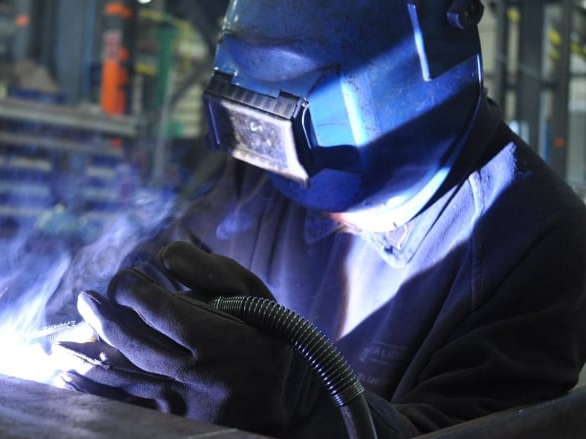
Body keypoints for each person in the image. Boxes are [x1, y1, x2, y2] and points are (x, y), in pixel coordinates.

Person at [58, 1, 586, 438]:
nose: (274, 156)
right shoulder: (263, 171)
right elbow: (165, 275)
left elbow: (467, 430)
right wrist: (93, 304)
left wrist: (298, 400)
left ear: (418, 64)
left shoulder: (538, 237)